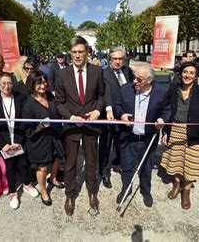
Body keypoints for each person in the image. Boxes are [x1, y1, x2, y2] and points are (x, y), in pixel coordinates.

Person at [55, 36, 104, 216]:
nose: (77, 55)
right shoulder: (62, 74)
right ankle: (70, 195)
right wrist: (70, 116)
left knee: (91, 161)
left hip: (91, 125)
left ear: (87, 52)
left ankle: (92, 192)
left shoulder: (97, 71)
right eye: (74, 52)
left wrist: (98, 112)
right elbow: (59, 102)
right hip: (71, 126)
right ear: (70, 53)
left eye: (81, 52)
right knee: (70, 163)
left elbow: (101, 96)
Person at [114, 65, 172, 208]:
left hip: (148, 136)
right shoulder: (126, 89)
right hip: (129, 135)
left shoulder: (162, 92)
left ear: (150, 80)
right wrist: (121, 114)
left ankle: (146, 191)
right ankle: (126, 189)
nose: (135, 81)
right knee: (127, 166)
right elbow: (117, 106)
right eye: (134, 76)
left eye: (139, 78)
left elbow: (167, 110)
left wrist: (162, 120)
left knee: (146, 167)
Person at [161, 62, 199, 210]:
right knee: (176, 160)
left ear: (196, 76)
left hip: (194, 133)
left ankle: (186, 191)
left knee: (191, 163)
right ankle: (177, 184)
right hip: (175, 129)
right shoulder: (172, 89)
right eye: (185, 72)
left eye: (191, 73)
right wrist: (165, 132)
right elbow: (167, 112)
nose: (187, 75)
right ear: (180, 73)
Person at [0, 72, 38, 209]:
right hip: (4, 142)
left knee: (23, 164)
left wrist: (18, 140)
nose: (6, 86)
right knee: (9, 168)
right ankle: (13, 192)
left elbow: (24, 119)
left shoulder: (20, 97)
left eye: (9, 82)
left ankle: (27, 184)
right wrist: (2, 145)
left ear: (13, 83)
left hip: (18, 138)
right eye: (3, 83)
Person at [21, 71, 65, 206]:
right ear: (32, 84)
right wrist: (40, 125)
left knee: (57, 158)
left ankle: (53, 178)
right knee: (43, 167)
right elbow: (28, 129)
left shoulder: (50, 95)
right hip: (39, 141)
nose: (43, 85)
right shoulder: (29, 104)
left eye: (44, 81)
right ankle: (44, 191)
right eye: (39, 82)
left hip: (54, 136)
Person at [99, 47, 133, 188]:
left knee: (122, 141)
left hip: (124, 115)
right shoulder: (103, 73)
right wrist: (109, 109)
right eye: (115, 59)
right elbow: (104, 93)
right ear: (109, 60)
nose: (118, 62)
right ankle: (104, 172)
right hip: (109, 115)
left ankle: (118, 163)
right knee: (106, 145)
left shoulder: (128, 71)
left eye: (120, 59)